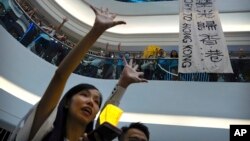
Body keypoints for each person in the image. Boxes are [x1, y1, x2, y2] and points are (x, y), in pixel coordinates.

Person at [9, 4, 147, 141]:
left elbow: (106, 119)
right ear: (67, 102)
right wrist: (96, 31)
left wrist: (122, 84)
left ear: (94, 116)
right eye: (84, 95)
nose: (91, 102)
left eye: (96, 101)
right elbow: (60, 76)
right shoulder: (42, 131)